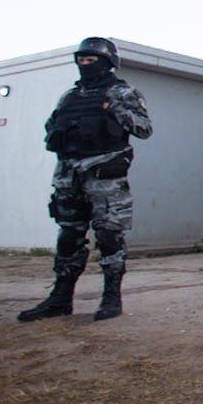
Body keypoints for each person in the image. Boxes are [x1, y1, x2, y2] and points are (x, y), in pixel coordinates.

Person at [20, 38, 153, 322]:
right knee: (68, 237)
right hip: (69, 177)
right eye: (81, 59)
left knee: (109, 236)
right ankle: (60, 298)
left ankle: (111, 297)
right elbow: (51, 126)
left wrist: (114, 109)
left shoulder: (122, 92)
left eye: (91, 60)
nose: (85, 64)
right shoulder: (69, 96)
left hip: (105, 177)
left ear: (107, 62)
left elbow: (143, 128)